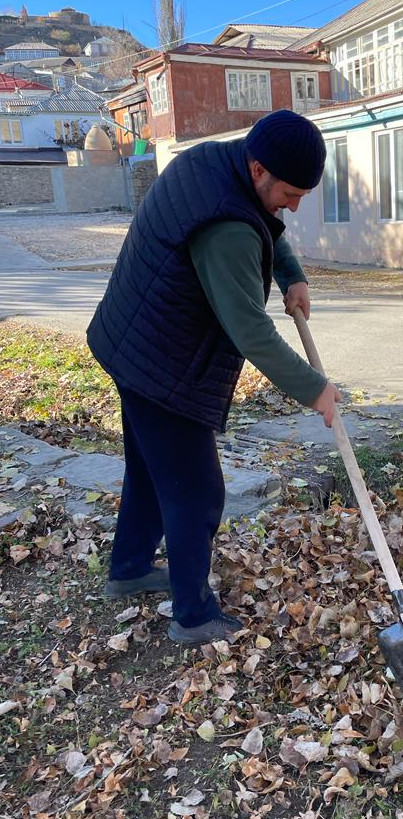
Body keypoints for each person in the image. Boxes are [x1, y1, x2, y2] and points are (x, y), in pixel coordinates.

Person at [87, 109, 341, 645]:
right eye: (291, 193)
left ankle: (130, 568)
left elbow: (264, 220)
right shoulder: (226, 229)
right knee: (197, 491)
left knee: (151, 471)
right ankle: (194, 615)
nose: (294, 206)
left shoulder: (214, 163)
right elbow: (250, 330)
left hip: (130, 340)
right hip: (161, 366)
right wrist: (314, 390)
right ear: (259, 169)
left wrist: (291, 275)